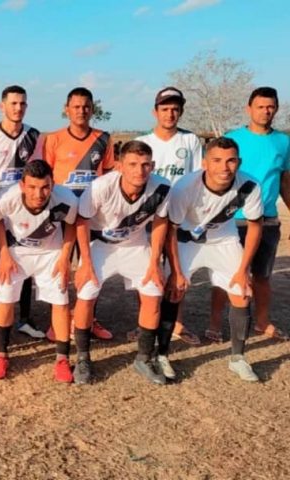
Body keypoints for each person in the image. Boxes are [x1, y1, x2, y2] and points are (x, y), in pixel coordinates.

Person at [162, 137, 263, 381]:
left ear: (239, 162)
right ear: (205, 163)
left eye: (231, 161)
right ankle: (161, 355)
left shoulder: (250, 185)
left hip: (223, 239)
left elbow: (255, 226)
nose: (224, 167)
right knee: (173, 291)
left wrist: (243, 270)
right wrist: (176, 271)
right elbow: (171, 230)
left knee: (241, 292)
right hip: (186, 241)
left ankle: (238, 359)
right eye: (217, 160)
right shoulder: (184, 187)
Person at [74, 140, 170, 385]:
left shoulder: (162, 187)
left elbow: (160, 222)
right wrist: (85, 263)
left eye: (145, 165)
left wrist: (155, 261)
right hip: (100, 246)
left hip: (135, 245)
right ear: (119, 166)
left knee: (153, 293)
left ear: (153, 166)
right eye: (133, 164)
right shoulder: (100, 186)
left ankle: (144, 358)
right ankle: (83, 358)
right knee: (86, 293)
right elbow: (82, 222)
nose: (140, 170)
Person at [208, 87, 290, 342]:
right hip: (232, 219)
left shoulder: (283, 142)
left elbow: (285, 181)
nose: (266, 111)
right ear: (249, 109)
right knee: (225, 275)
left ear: (276, 109)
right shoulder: (233, 139)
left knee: (262, 276)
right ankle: (215, 323)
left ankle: (262, 321)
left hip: (267, 219)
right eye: (260, 106)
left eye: (270, 107)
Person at [0, 160, 77, 381]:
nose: (39, 194)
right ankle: (1, 355)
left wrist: (65, 257)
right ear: (22, 185)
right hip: (17, 252)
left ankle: (62, 359)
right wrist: (3, 253)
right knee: (6, 300)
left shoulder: (67, 199)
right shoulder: (6, 198)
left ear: (53, 183)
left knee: (61, 301)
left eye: (45, 187)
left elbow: (71, 224)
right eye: (32, 187)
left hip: (51, 253)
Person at [132, 86, 204, 345]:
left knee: (177, 269)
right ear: (155, 111)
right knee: (147, 269)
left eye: (175, 109)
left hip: (179, 216)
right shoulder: (144, 142)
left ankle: (177, 323)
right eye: (165, 109)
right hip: (148, 217)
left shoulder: (190, 140)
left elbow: (197, 177)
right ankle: (144, 323)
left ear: (181, 111)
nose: (170, 114)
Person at [43, 87, 115, 340]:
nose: (81, 111)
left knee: (91, 265)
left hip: (92, 215)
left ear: (92, 109)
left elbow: (109, 177)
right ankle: (58, 322)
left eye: (86, 106)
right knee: (60, 266)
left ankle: (88, 318)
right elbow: (45, 178)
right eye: (76, 106)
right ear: (67, 110)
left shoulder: (103, 139)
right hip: (62, 215)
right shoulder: (53, 139)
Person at [0, 85, 44, 342]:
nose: (18, 108)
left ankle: (24, 319)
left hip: (23, 211)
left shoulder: (34, 135)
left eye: (22, 103)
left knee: (24, 263)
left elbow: (38, 171)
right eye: (13, 103)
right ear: (2, 106)